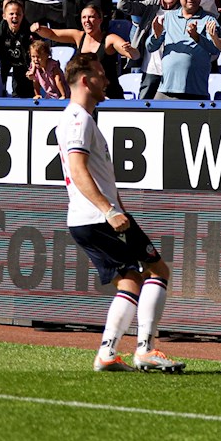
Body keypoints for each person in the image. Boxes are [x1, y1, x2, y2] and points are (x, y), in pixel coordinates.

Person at [61, 52, 184, 373]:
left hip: (92, 218)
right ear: (86, 80)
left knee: (131, 279)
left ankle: (110, 353)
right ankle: (144, 349)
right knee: (156, 272)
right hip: (98, 217)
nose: (107, 81)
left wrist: (116, 208)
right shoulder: (78, 119)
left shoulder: (81, 118)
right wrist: (109, 210)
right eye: (101, 74)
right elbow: (77, 169)